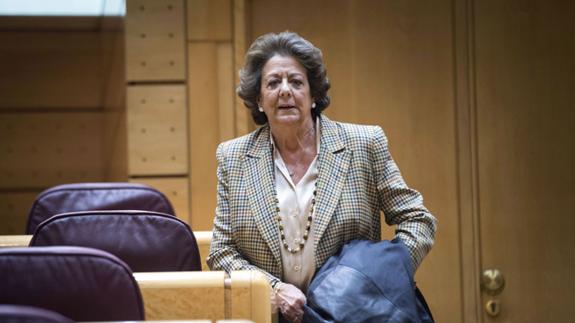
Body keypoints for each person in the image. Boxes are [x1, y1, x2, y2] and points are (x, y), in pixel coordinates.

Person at [207, 31, 437, 323]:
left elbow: (418, 220)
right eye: (274, 82)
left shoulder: (363, 144)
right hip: (268, 317)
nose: (286, 91)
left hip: (355, 316)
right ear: (259, 99)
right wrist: (273, 290)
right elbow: (222, 252)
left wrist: (384, 275)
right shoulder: (233, 158)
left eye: (297, 81)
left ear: (314, 95)